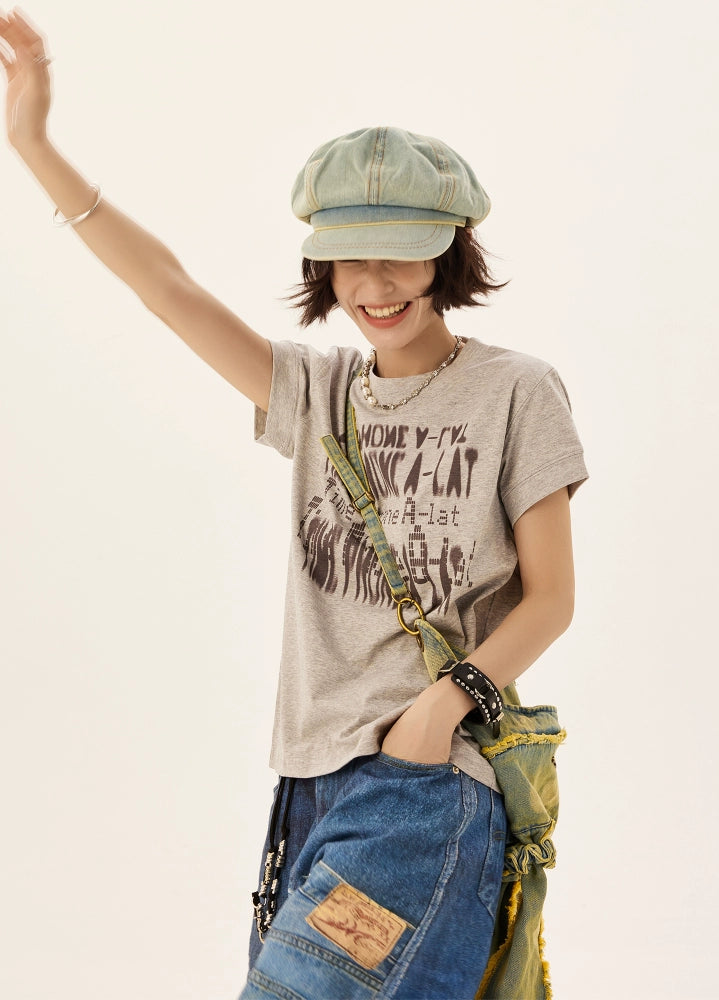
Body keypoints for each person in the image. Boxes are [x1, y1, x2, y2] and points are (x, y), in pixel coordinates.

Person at [1, 9, 589, 999]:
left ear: (449, 251)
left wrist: (440, 709)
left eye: (401, 253)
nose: (376, 284)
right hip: (307, 793)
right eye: (352, 257)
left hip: (424, 791)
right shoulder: (318, 393)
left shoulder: (516, 391)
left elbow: (553, 597)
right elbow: (168, 289)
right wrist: (34, 146)